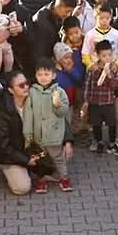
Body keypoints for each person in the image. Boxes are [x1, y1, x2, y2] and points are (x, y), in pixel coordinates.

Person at [22, 59, 73, 193]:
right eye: (40, 74)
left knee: (58, 158)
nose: (43, 77)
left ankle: (64, 178)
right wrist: (28, 132)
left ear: (53, 75)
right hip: (38, 134)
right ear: (35, 75)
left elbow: (64, 112)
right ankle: (41, 180)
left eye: (46, 74)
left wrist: (58, 106)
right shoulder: (32, 92)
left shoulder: (59, 91)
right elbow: (28, 113)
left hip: (54, 133)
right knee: (40, 159)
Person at [84, 39, 118, 156]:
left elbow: (115, 85)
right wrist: (86, 100)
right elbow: (88, 84)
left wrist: (109, 74)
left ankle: (112, 143)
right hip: (95, 101)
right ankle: (99, 141)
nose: (107, 58)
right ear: (97, 55)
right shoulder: (93, 69)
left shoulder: (113, 68)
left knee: (112, 123)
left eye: (110, 55)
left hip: (108, 101)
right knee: (96, 123)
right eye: (104, 56)